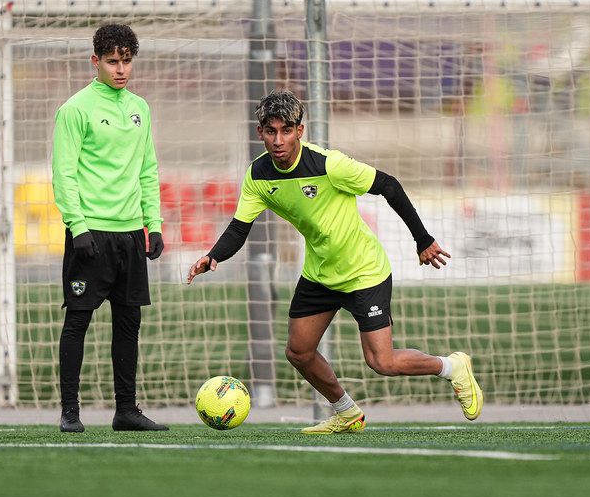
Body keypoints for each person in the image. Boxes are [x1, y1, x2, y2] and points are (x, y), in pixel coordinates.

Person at [186, 90, 482, 433]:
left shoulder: (329, 165)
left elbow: (389, 185)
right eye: (271, 131)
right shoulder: (259, 175)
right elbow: (239, 228)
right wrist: (213, 256)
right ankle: (347, 413)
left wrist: (423, 239)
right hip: (320, 273)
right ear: (260, 133)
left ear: (300, 130)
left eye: (286, 130)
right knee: (299, 352)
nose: (278, 140)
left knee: (380, 361)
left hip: (363, 271)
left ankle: (451, 367)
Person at [52, 23, 167, 433]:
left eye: (126, 61)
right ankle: (70, 411)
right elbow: (63, 175)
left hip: (130, 235)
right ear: (95, 61)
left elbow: (148, 171)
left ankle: (126, 410)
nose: (121, 69)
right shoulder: (75, 109)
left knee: (128, 322)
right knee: (78, 321)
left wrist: (153, 225)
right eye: (112, 61)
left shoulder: (141, 109)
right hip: (90, 234)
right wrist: (77, 225)